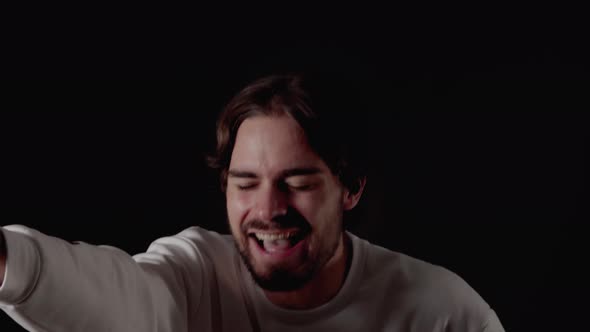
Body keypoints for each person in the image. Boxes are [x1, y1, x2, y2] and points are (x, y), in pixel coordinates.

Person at [0, 74, 505, 332]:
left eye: (299, 181)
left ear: (350, 189)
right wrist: (7, 260)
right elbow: (121, 299)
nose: (268, 208)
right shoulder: (194, 277)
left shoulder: (443, 314)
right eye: (245, 183)